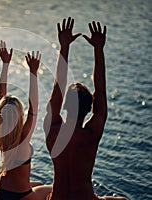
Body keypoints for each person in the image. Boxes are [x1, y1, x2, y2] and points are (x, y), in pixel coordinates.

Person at [43, 17, 127, 200]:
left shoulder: (53, 131)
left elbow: (58, 87)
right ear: (90, 109)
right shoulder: (91, 134)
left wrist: (64, 47)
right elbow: (101, 92)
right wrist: (98, 49)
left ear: (64, 104)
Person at [0, 41, 51, 200]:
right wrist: (33, 72)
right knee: (52, 189)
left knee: (38, 182)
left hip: (2, 193)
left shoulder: (3, 135)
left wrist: (5, 64)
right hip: (20, 197)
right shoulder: (23, 138)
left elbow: (1, 96)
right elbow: (34, 106)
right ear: (19, 116)